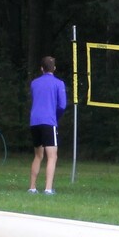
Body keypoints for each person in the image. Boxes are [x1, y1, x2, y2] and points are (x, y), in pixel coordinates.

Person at [28, 55, 69, 194]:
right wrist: (56, 117)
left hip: (35, 121)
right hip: (49, 122)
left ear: (42, 69)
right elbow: (62, 105)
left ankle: (32, 187)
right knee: (52, 156)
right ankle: (48, 189)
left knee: (38, 155)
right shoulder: (59, 83)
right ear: (54, 68)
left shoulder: (34, 83)